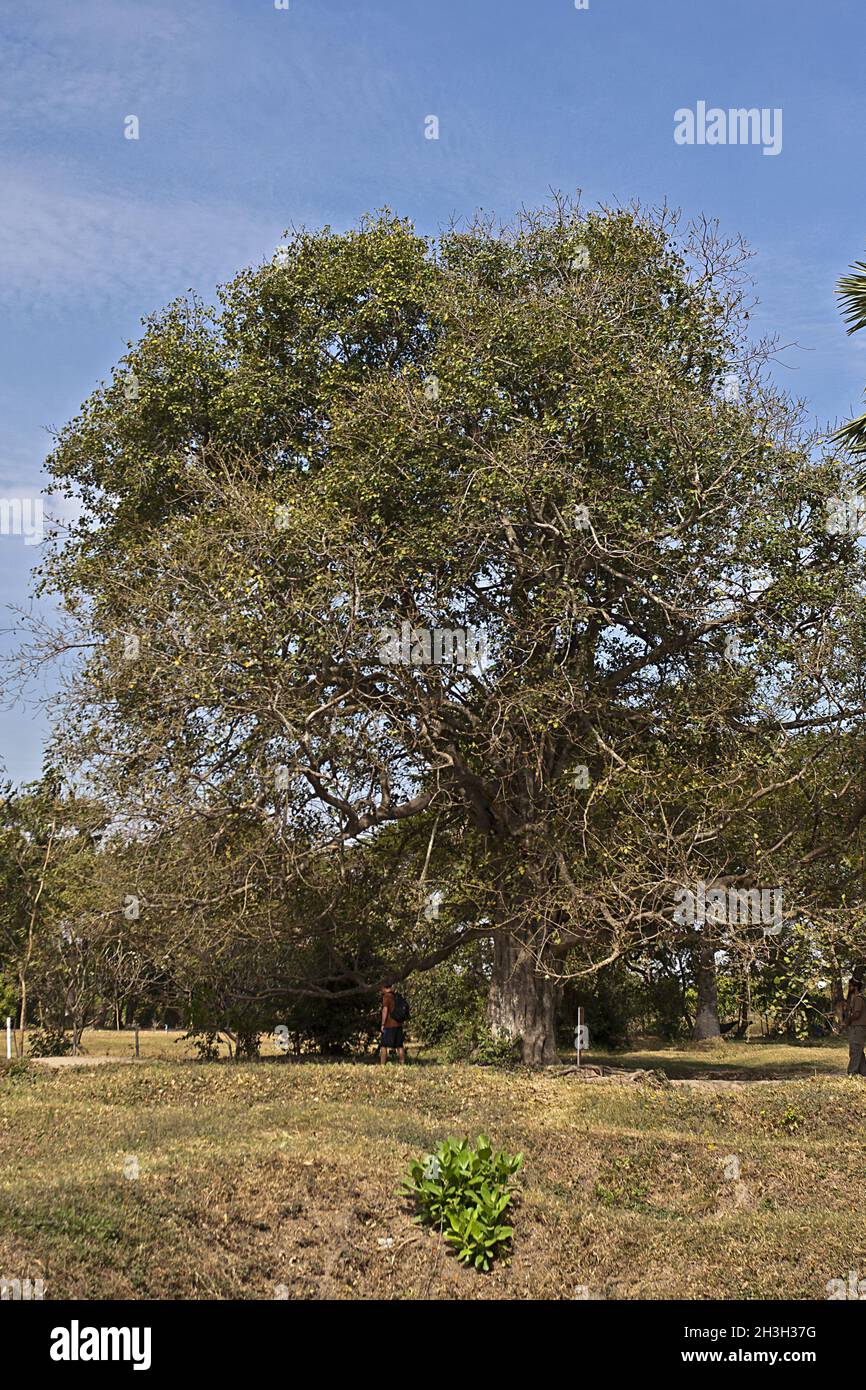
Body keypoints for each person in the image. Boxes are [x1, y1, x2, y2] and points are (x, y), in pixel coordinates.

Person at [378, 982, 406, 1065]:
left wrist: (383, 1024)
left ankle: (382, 1064)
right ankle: (402, 1063)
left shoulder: (386, 996)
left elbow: (385, 1010)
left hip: (389, 1025)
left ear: (384, 987)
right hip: (398, 1024)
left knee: (383, 1045)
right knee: (399, 1045)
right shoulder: (396, 996)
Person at [844, 976, 866, 1077]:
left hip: (858, 1027)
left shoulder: (858, 999)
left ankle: (852, 1072)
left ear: (855, 987)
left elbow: (857, 1014)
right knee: (858, 1050)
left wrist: (847, 1021)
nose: (849, 988)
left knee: (855, 1049)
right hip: (857, 1027)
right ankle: (863, 1071)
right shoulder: (857, 998)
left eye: (850, 986)